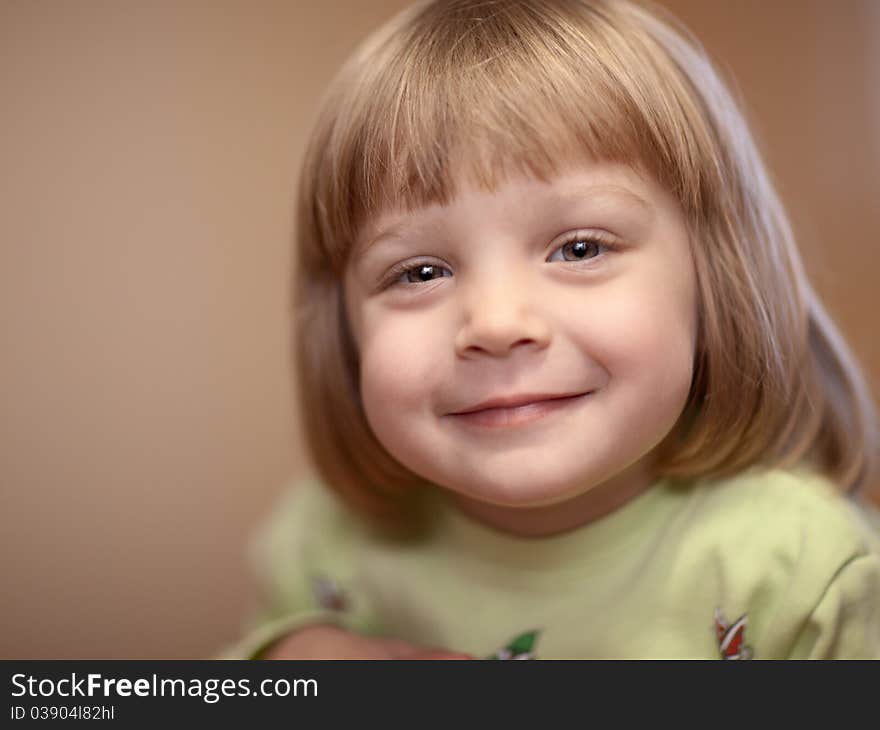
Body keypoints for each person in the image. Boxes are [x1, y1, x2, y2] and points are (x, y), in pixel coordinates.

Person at [222, 0, 880, 659]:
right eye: (420, 271)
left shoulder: (808, 570)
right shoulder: (318, 546)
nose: (498, 324)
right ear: (344, 335)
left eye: (580, 249)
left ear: (716, 279)